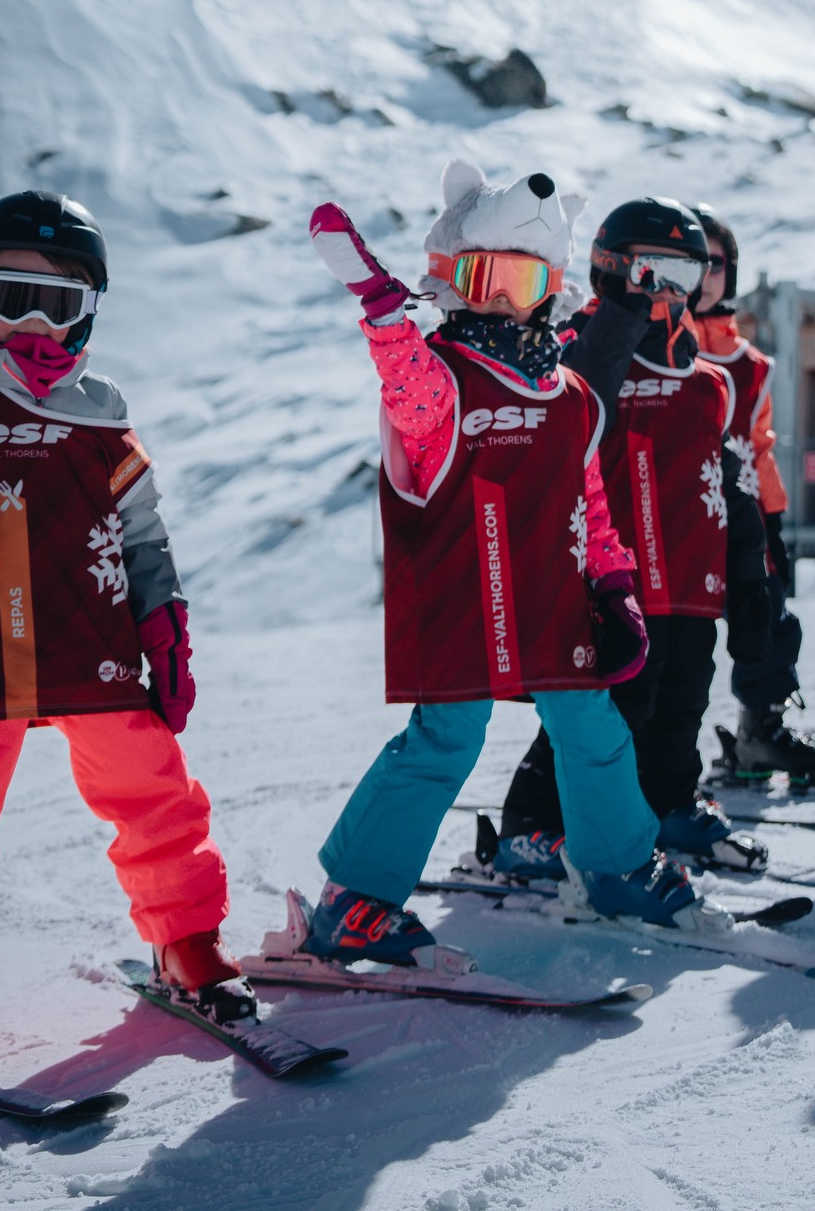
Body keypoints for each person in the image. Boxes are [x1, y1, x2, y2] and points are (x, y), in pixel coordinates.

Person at [0, 191, 250, 1045]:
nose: (34, 323)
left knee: (156, 797)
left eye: (58, 305)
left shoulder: (101, 411)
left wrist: (163, 619)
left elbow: (140, 528)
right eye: (10, 296)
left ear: (87, 316)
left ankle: (187, 941)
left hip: (94, 648)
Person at [300, 162, 722, 964]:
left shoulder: (570, 392)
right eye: (481, 275)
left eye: (520, 278)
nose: (499, 296)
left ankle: (617, 865)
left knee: (592, 725)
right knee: (447, 737)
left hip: (552, 595)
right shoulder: (441, 376)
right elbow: (409, 393)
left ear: (548, 284)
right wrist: (383, 313)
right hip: (463, 593)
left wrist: (616, 583)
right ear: (452, 278)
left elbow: (589, 497)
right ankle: (353, 897)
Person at [497, 198, 773, 873]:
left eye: (686, 270)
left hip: (690, 581)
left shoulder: (708, 382)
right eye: (656, 269)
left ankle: (665, 801)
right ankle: (533, 823)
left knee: (683, 698)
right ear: (616, 268)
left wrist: (751, 578)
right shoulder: (578, 358)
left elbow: (727, 479)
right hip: (616, 581)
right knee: (608, 710)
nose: (670, 289)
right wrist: (623, 312)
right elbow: (576, 400)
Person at [686, 204, 815, 788]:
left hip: (742, 520)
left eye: (717, 262)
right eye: (693, 261)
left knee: (774, 623)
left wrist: (773, 523)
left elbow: (759, 447)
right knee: (672, 649)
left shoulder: (750, 365)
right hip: (675, 521)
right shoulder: (654, 345)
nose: (706, 274)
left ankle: (761, 731)